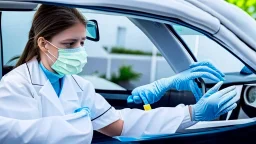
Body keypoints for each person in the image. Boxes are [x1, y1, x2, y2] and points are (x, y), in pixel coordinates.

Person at [0, 5, 238, 144]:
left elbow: (119, 125)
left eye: (82, 42)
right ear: (43, 43)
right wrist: (79, 124)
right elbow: (13, 136)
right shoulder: (16, 84)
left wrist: (191, 113)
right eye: (69, 44)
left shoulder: (78, 85)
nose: (79, 51)